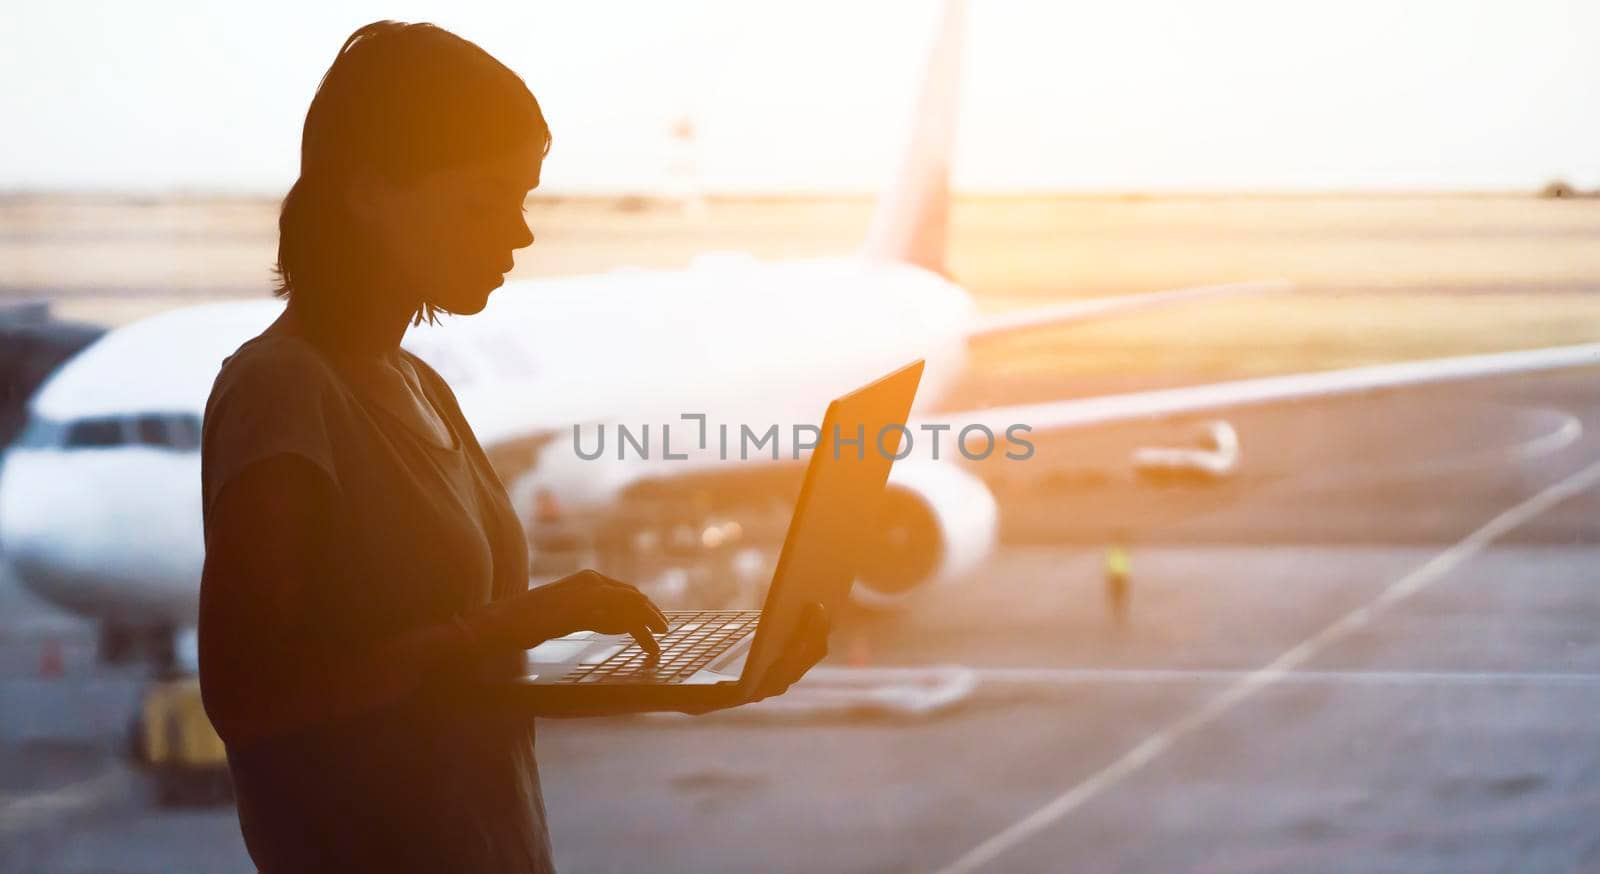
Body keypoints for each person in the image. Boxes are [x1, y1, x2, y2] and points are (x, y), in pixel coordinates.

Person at [196, 21, 828, 873]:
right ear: (368, 193)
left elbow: (452, 697)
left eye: (521, 199)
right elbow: (252, 698)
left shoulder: (419, 384)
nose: (521, 235)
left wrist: (691, 687)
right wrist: (517, 620)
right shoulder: (282, 392)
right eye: (483, 203)